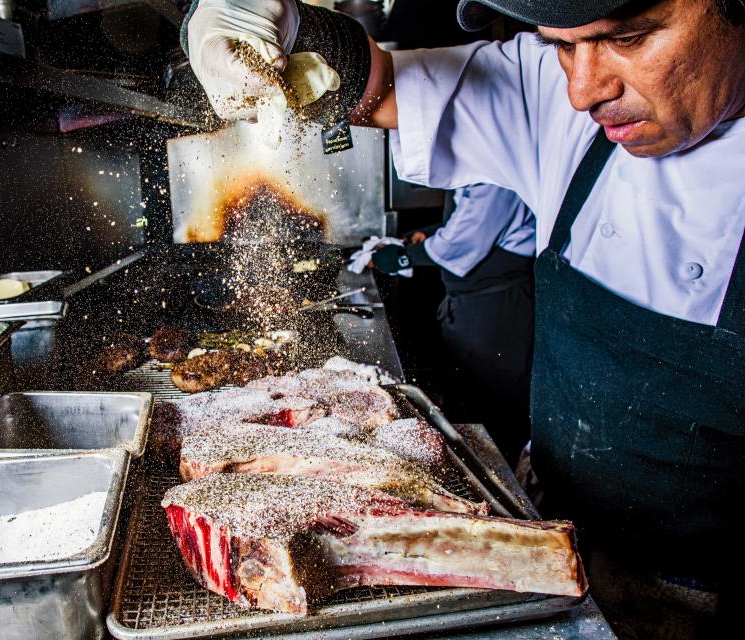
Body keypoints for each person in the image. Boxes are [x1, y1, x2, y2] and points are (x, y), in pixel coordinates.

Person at [180, 0, 745, 637]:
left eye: (630, 38)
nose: (584, 89)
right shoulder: (557, 102)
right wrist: (273, 21)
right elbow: (374, 86)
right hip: (539, 530)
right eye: (562, 44)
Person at [371, 184, 536, 467]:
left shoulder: (491, 175)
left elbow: (464, 240)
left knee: (493, 403)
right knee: (470, 394)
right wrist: (432, 232)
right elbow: (467, 221)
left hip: (496, 309)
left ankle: (499, 480)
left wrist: (405, 256)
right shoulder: (474, 172)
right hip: (475, 304)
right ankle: (475, 463)